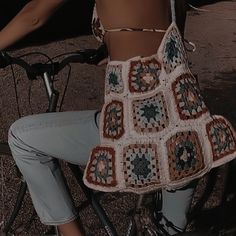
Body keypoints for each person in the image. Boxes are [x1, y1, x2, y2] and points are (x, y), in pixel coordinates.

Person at [1, 0, 236, 236]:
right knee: (169, 228)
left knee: (22, 138)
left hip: (137, 136)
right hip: (184, 136)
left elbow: (33, 16)